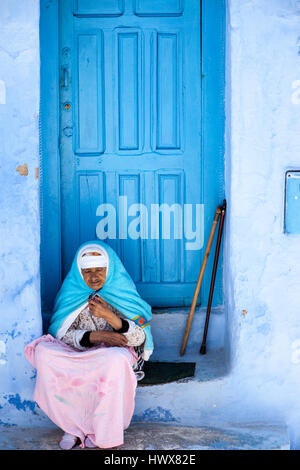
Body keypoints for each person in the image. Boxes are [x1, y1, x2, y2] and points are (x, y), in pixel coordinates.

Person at [25, 240, 154, 450]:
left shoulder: (123, 293)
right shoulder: (71, 294)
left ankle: (100, 431)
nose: (94, 277)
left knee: (114, 360)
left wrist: (109, 317)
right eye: (87, 271)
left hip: (111, 355)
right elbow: (61, 335)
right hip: (78, 353)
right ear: (79, 272)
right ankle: (72, 427)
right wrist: (98, 336)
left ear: (109, 269)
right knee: (44, 352)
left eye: (100, 270)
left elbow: (139, 338)